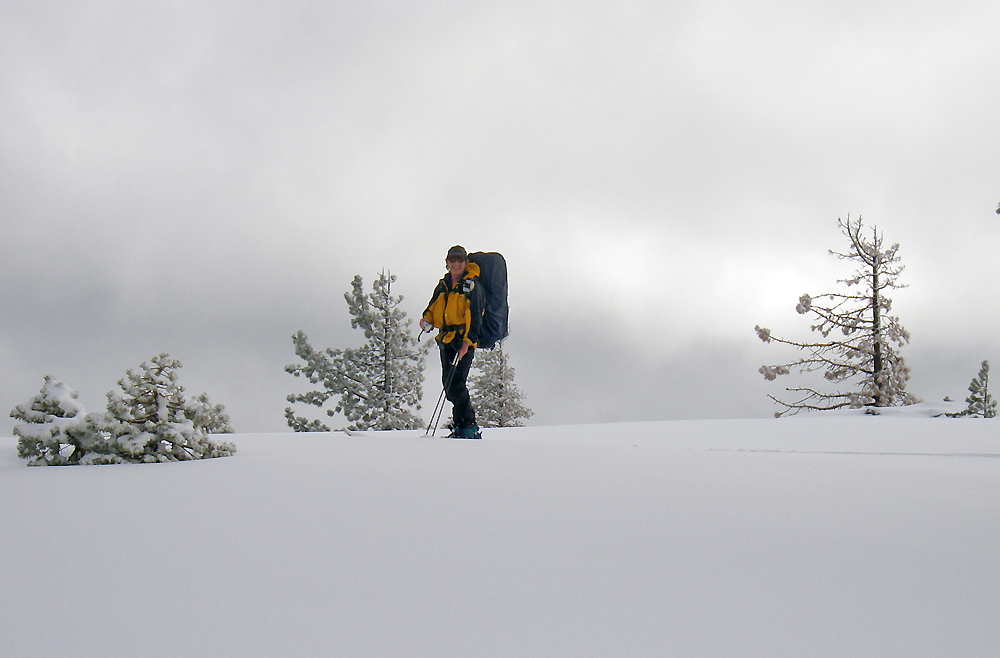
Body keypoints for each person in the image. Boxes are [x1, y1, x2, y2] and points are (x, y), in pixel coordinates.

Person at [420, 245, 484, 439]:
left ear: (465, 263)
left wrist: (467, 343)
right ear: (447, 263)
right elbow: (431, 308)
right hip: (445, 340)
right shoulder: (443, 286)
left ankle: (467, 427)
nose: (456, 263)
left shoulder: (471, 286)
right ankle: (461, 427)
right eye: (453, 260)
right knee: (450, 386)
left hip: (462, 342)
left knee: (456, 385)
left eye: (460, 260)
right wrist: (426, 320)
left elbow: (476, 317)